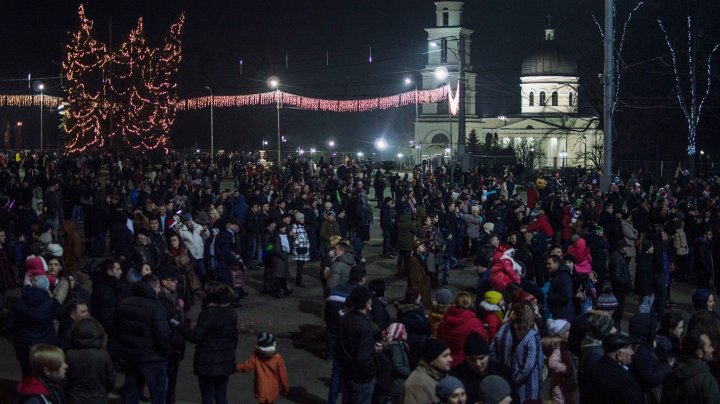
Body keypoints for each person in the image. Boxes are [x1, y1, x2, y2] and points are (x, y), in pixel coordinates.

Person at [180, 281, 238, 404]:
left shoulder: (208, 314)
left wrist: (182, 329)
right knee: (221, 394)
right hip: (225, 360)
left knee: (207, 395)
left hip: (208, 362)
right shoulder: (231, 312)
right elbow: (234, 338)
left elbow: (196, 337)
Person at [116, 275, 171, 404]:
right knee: (158, 394)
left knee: (132, 391)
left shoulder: (123, 304)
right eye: (157, 287)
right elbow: (162, 335)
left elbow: (116, 329)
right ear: (151, 288)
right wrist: (164, 351)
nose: (159, 290)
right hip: (152, 358)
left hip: (131, 356)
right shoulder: (156, 307)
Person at [490, 301, 543, 403]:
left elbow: (492, 352)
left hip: (505, 385)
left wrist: (502, 377)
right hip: (527, 390)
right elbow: (528, 366)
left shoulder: (503, 329)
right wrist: (511, 380)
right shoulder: (532, 336)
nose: (521, 332)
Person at [12, 274, 64, 378]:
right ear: (47, 287)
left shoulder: (20, 301)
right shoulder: (50, 303)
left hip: (24, 344)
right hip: (44, 344)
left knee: (27, 374)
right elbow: (62, 314)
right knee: (44, 374)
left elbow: (11, 323)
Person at [336, 286, 378, 404]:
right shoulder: (364, 325)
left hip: (346, 371)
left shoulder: (344, 319)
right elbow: (363, 358)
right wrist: (372, 371)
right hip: (361, 377)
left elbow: (339, 346)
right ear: (366, 303)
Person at [450, 332, 518, 404]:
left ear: (488, 355)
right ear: (466, 358)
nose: (477, 364)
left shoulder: (502, 371)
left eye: (481, 358)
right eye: (472, 359)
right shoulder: (456, 375)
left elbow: (515, 399)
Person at [578, 333, 644, 404]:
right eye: (629, 349)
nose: (632, 352)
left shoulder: (589, 369)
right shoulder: (625, 381)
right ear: (619, 355)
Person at [65, 318, 117, 404]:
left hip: (74, 398)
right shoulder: (103, 354)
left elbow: (65, 378)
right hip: (98, 397)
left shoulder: (69, 354)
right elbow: (111, 378)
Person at [661, 330, 720, 404]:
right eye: (709, 346)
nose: (713, 349)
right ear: (699, 353)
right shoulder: (706, 381)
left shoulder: (671, 374)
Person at [627, 313, 673, 403]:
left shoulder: (636, 343)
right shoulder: (642, 351)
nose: (655, 330)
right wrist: (668, 366)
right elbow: (651, 378)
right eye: (653, 328)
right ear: (645, 330)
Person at [437, 291, 489, 368]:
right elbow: (483, 342)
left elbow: (440, 339)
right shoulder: (475, 323)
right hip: (468, 363)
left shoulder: (444, 319)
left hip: (449, 361)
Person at [236, 332, 290, 403]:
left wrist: (233, 367)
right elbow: (283, 376)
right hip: (272, 389)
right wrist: (285, 389)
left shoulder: (256, 355)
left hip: (260, 388)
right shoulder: (277, 358)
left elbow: (246, 366)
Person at [401, 339, 453, 404]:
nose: (451, 359)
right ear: (432, 360)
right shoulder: (418, 384)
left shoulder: (443, 375)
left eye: (450, 355)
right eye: (445, 356)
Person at [542, 319, 579, 404]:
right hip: (561, 388)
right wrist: (568, 369)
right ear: (561, 334)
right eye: (568, 331)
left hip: (565, 386)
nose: (570, 332)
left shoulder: (564, 345)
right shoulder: (559, 347)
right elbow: (552, 363)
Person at [609, 240, 633, 330]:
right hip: (619, 289)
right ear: (623, 247)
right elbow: (617, 276)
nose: (627, 248)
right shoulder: (618, 258)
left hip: (620, 288)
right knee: (618, 311)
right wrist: (626, 283)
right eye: (626, 247)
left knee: (618, 310)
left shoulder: (618, 256)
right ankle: (616, 329)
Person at [546, 255, 575, 321]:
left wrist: (551, 298)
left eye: (549, 264)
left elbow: (567, 296)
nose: (547, 266)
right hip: (559, 314)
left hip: (564, 315)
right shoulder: (556, 276)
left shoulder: (563, 276)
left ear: (556, 263)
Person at [291, 212, 311, 287]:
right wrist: (298, 243)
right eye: (302, 218)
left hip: (304, 248)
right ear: (298, 219)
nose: (303, 219)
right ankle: (299, 281)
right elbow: (294, 236)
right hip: (299, 248)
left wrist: (307, 244)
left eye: (303, 218)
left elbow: (305, 236)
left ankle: (299, 279)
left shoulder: (303, 226)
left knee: (301, 265)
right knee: (299, 265)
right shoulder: (294, 226)